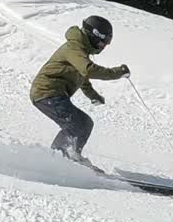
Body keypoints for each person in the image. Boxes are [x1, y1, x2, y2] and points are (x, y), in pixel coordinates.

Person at [30, 15, 130, 162]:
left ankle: (70, 155)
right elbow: (88, 70)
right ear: (94, 35)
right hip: (46, 92)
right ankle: (58, 159)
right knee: (75, 124)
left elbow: (82, 77)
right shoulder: (74, 48)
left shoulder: (81, 49)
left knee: (85, 123)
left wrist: (92, 95)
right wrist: (117, 72)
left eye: (107, 43)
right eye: (103, 42)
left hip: (53, 93)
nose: (104, 46)